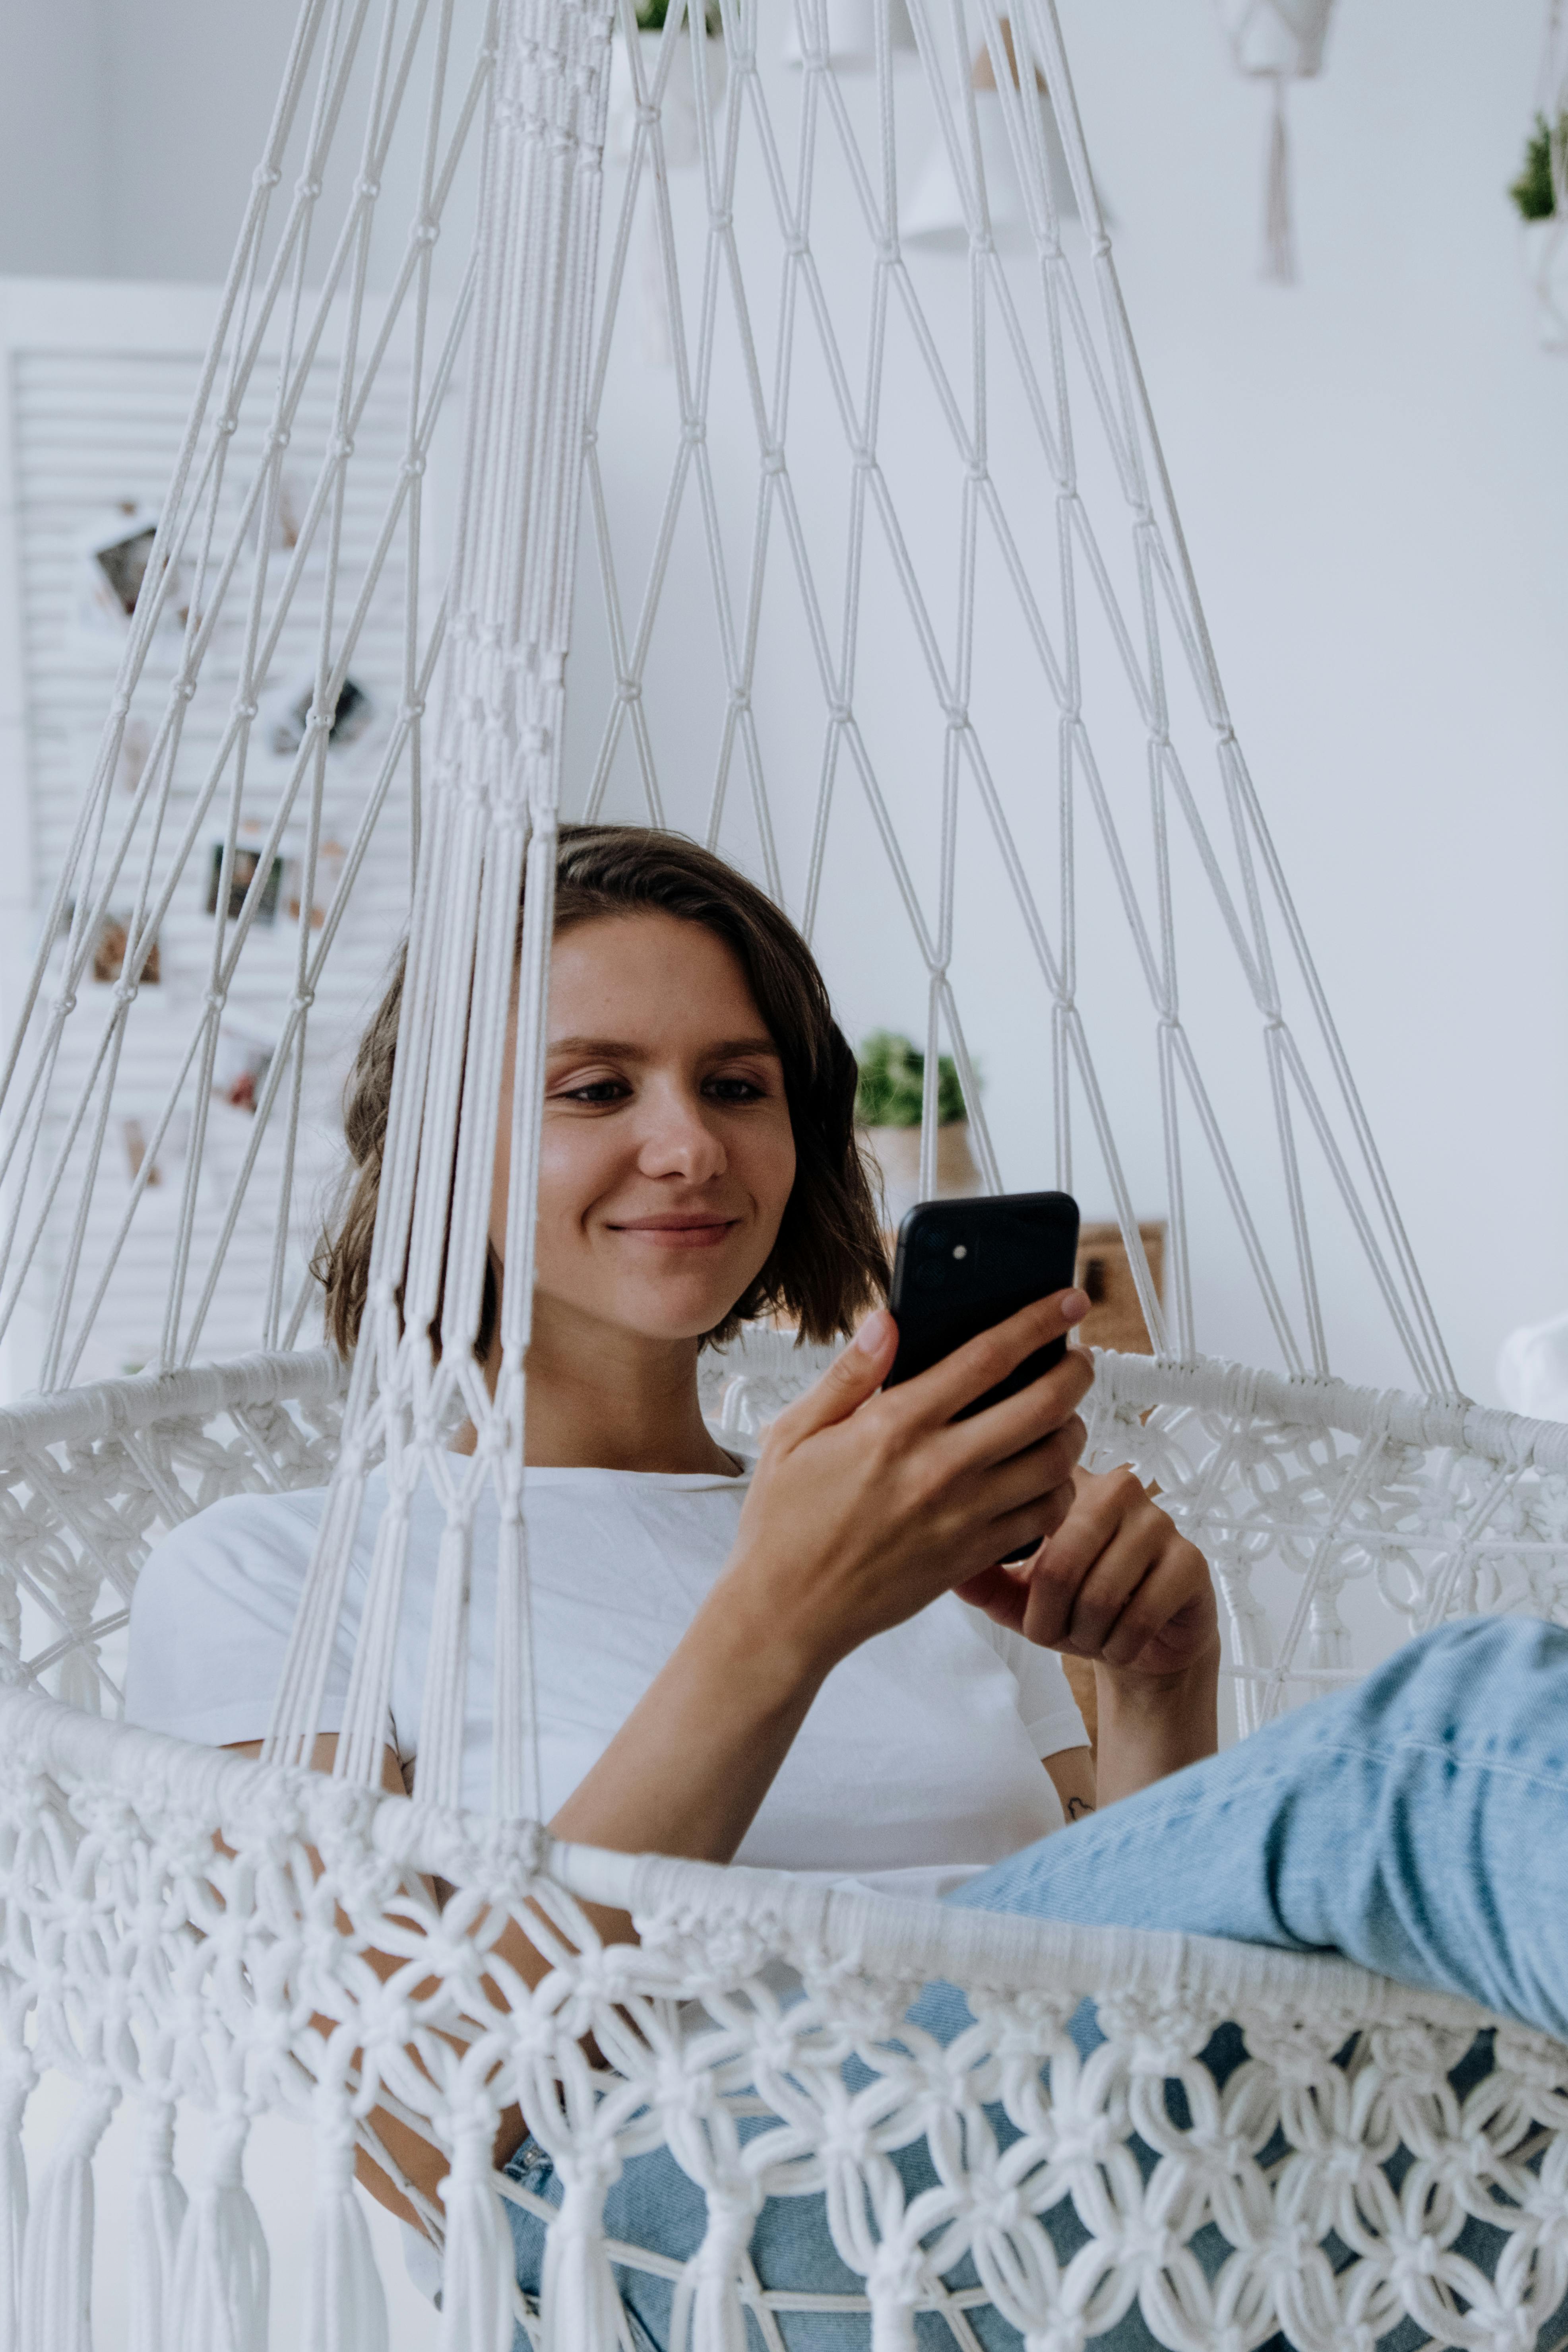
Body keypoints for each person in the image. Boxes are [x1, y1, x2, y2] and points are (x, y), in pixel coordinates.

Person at [124, 825, 1568, 2348]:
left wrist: (1154, 1695)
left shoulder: (886, 1517)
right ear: (434, 1151)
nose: (686, 1147)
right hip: (727, 2220)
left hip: (1086, 2178)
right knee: (1451, 1742)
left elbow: (1124, 1976)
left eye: (737, 1088)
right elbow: (417, 2130)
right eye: (594, 1089)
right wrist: (782, 1617)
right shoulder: (272, 1571)